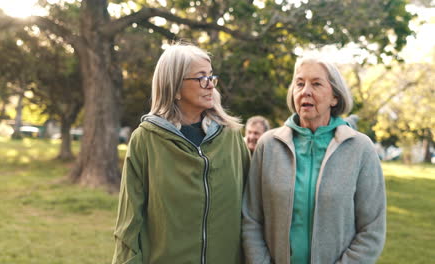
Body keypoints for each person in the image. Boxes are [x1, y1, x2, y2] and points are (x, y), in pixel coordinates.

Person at [112, 43, 250, 264]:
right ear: (174, 87)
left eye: (211, 77)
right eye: (201, 77)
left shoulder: (232, 137)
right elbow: (129, 223)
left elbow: (250, 213)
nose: (210, 86)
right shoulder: (145, 140)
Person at [242, 56, 386, 264]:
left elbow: (372, 230)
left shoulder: (361, 149)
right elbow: (251, 219)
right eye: (299, 84)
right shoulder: (268, 146)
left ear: (335, 97)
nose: (305, 91)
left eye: (316, 84)